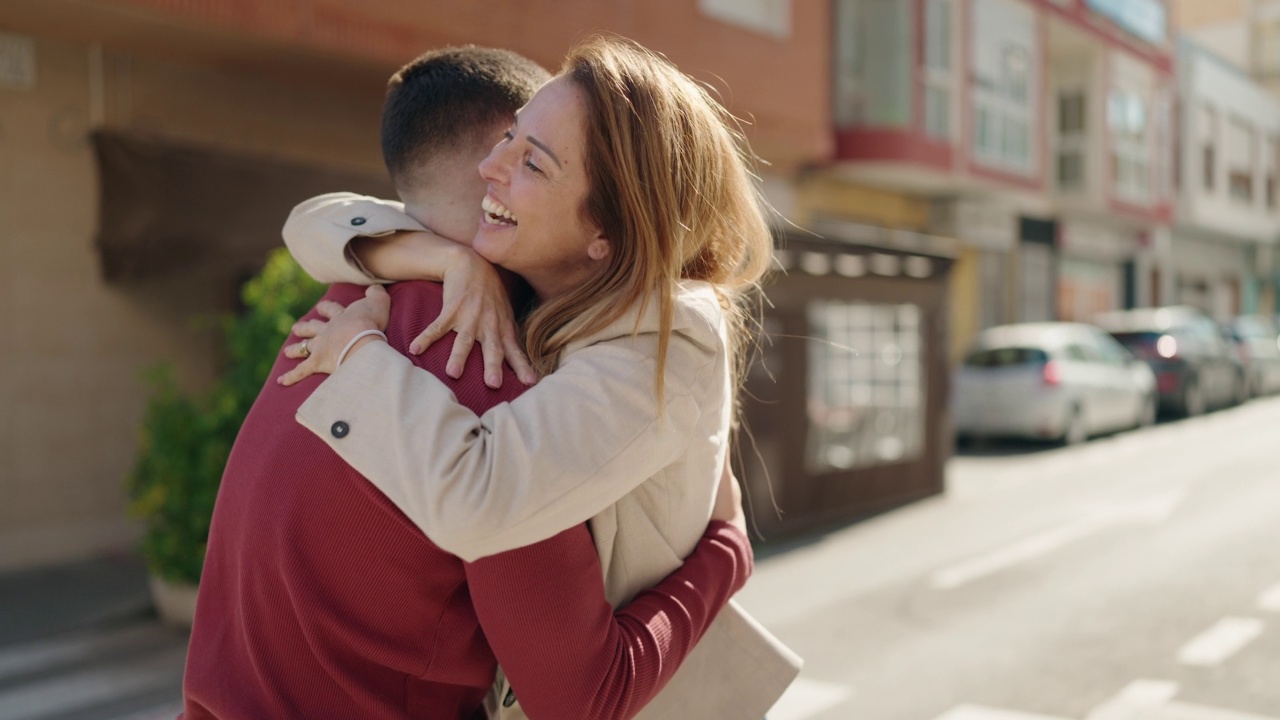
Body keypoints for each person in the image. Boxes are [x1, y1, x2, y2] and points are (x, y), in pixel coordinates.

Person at [180, 46, 756, 720]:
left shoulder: (349, 302)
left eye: (532, 159)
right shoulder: (482, 369)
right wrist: (731, 549)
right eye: (509, 139)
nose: (496, 168)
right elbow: (581, 697)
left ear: (607, 224)